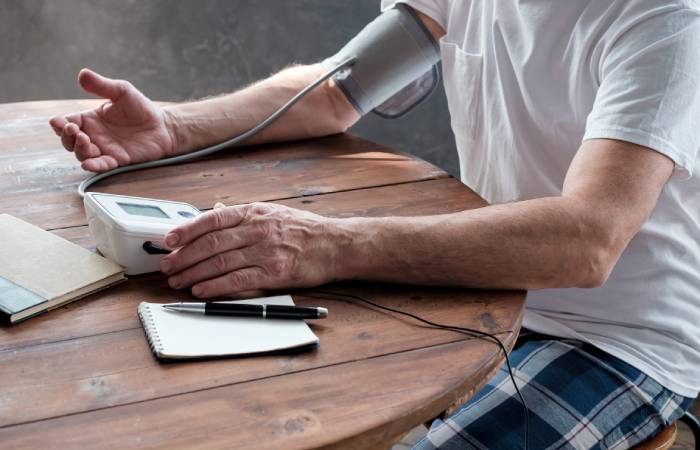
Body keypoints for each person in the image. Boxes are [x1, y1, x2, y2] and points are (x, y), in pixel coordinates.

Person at [49, 1, 700, 448]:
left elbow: (588, 240)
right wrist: (176, 126)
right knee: (235, 407)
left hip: (619, 339)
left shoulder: (667, 22)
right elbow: (336, 91)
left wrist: (323, 243)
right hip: (486, 288)